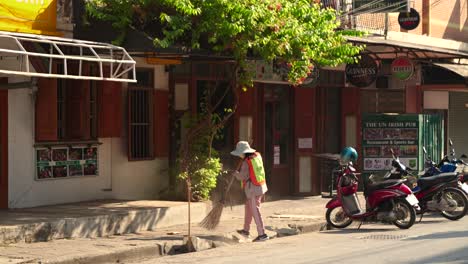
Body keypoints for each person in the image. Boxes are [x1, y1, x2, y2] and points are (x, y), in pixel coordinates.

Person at [230, 141, 269, 242]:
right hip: (260, 186)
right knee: (248, 207)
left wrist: (235, 173)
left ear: (243, 153)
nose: (239, 155)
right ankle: (246, 230)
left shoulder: (246, 162)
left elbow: (243, 176)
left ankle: (262, 234)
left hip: (253, 189)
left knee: (255, 210)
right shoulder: (256, 156)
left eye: (240, 153)